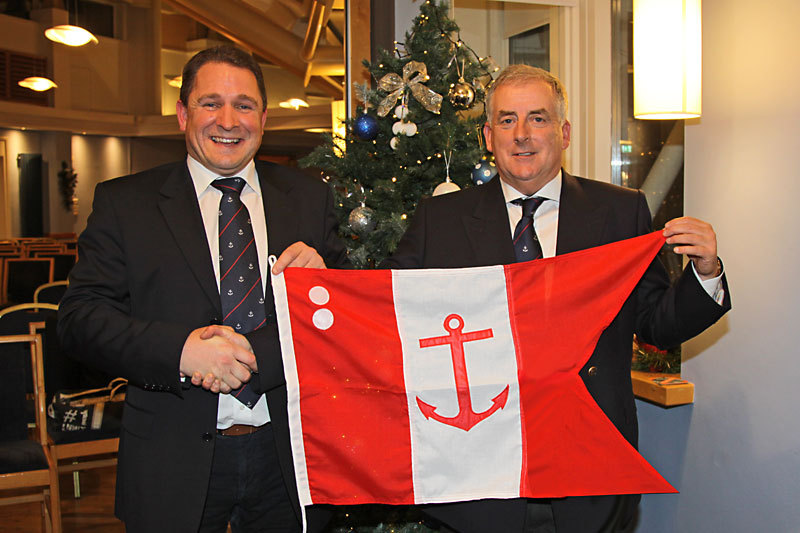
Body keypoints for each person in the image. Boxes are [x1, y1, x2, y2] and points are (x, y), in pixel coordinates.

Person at [382, 64, 731, 532]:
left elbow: (655, 323)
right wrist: (317, 284)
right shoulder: (438, 221)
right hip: (479, 484)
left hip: (591, 478)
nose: (522, 134)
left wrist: (705, 274)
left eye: (538, 118)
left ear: (564, 132)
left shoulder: (619, 212)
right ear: (488, 136)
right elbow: (385, 316)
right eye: (507, 120)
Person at [58, 45, 347, 533]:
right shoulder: (125, 204)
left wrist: (325, 282)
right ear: (182, 114)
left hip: (291, 458)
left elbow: (346, 317)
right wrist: (181, 353)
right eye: (211, 103)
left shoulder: (308, 198)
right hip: (171, 461)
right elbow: (79, 320)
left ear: (264, 116)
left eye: (245, 105)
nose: (228, 120)